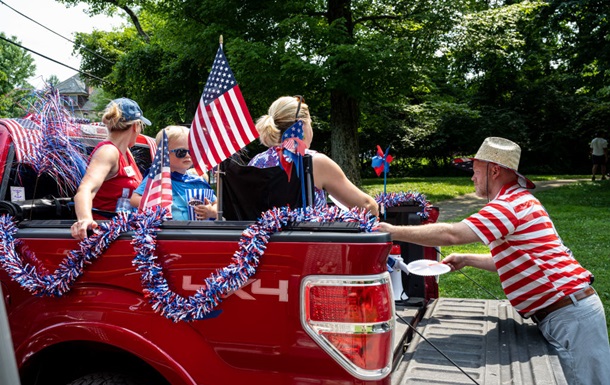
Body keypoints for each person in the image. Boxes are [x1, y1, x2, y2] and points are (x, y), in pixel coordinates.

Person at [379, 137, 610, 385]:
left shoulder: (509, 205)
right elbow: (518, 260)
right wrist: (468, 259)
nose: (472, 178)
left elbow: (451, 234)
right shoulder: (518, 200)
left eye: (476, 171)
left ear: (494, 170)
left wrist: (391, 231)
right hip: (566, 311)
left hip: (569, 316)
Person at [249, 96, 379, 216]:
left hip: (261, 240)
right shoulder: (314, 162)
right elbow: (367, 207)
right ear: (301, 125)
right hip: (309, 239)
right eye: (310, 123)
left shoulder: (256, 162)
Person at [71, 98, 150, 240]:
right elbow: (86, 189)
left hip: (124, 233)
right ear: (135, 126)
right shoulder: (108, 151)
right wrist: (85, 219)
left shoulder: (126, 152)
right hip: (104, 236)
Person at [130, 125, 217, 221]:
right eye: (181, 152)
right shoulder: (158, 178)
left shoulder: (198, 181)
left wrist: (212, 211)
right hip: (168, 232)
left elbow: (217, 205)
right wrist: (157, 202)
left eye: (191, 151)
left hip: (197, 233)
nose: (188, 155)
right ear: (164, 154)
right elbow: (134, 199)